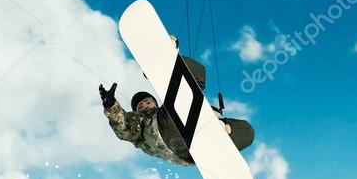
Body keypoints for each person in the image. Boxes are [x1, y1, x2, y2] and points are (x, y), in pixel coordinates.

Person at [99, 59, 254, 165]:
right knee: (178, 98)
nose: (144, 106)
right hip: (166, 134)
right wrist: (111, 105)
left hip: (189, 153)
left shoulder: (162, 111)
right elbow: (122, 127)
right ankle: (163, 69)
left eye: (147, 102)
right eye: (140, 106)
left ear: (155, 103)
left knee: (247, 130)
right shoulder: (137, 121)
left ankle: (220, 138)